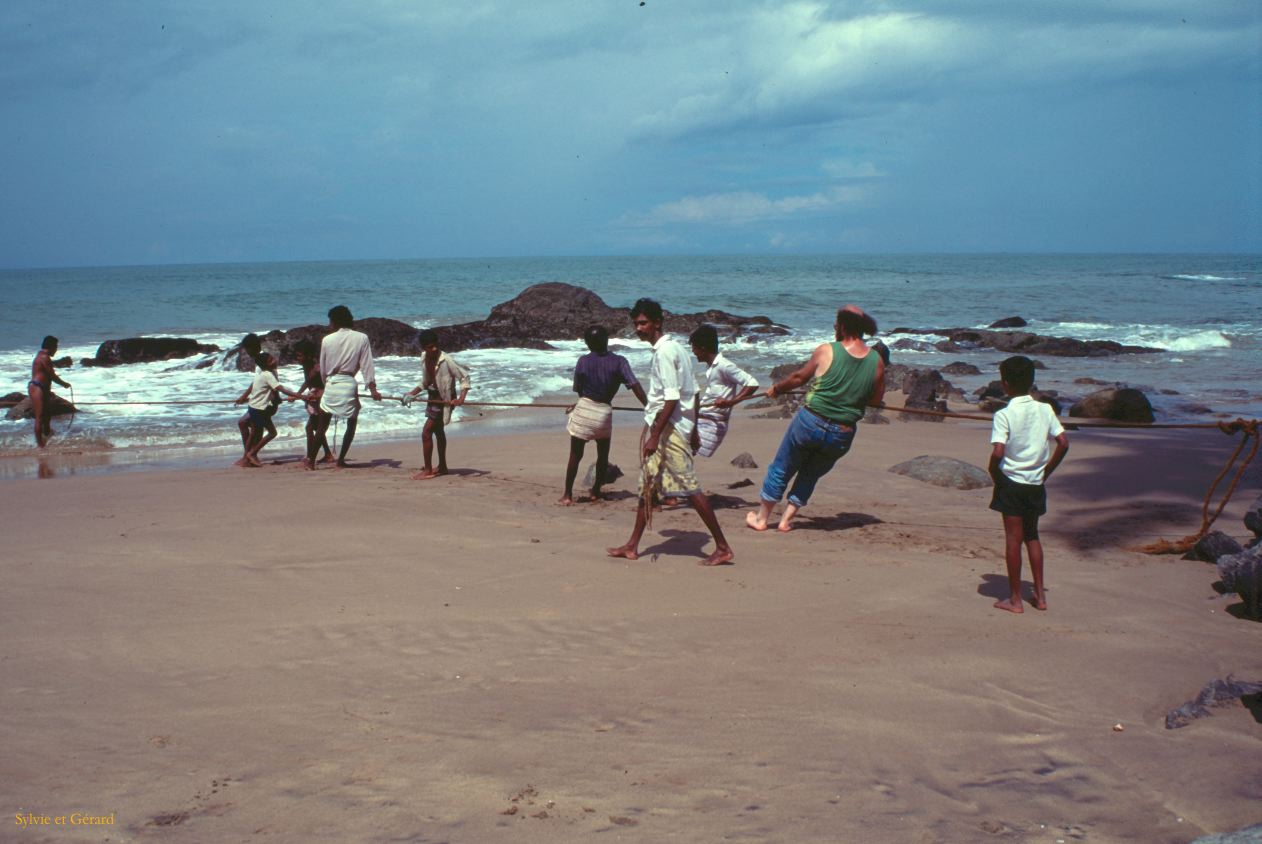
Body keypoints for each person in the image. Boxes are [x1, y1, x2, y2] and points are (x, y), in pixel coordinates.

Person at [607, 298, 734, 566]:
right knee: (648, 484)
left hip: (670, 430)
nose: (638, 328)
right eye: (636, 324)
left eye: (643, 323)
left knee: (690, 488)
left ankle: (722, 547)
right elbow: (695, 392)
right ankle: (632, 545)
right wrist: (695, 428)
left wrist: (655, 436)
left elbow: (673, 398)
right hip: (674, 426)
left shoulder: (665, 352)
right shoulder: (677, 348)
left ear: (657, 322)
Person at [746, 304, 885, 533]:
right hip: (842, 432)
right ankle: (786, 521)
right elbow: (876, 400)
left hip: (811, 421)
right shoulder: (877, 361)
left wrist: (777, 389)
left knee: (782, 467)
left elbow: (799, 377)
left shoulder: (827, 350)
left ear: (842, 326)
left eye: (836, 322)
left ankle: (762, 519)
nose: (834, 326)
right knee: (810, 474)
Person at [987, 355, 1069, 614]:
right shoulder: (1045, 409)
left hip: (1012, 481)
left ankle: (1015, 599)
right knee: (1032, 536)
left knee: (1013, 539)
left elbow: (999, 451)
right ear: (1032, 381)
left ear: (1005, 384)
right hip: (1035, 482)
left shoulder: (1004, 414)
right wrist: (1047, 471)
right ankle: (1040, 596)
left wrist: (993, 471)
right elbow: (1064, 443)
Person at [560, 325, 648, 505]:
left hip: (585, 409)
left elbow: (579, 389)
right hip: (603, 413)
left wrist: (583, 403)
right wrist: (649, 406)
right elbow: (634, 385)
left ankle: (567, 495)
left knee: (575, 455)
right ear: (607, 341)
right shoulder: (619, 361)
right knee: (603, 455)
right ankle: (595, 491)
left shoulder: (583, 361)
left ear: (587, 344)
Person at [315, 305, 381, 468]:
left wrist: (325, 386)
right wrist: (372, 389)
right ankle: (341, 459)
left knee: (321, 426)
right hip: (349, 383)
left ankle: (310, 461)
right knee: (351, 423)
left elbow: (323, 369)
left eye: (330, 321)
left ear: (335, 322)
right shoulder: (361, 338)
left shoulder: (327, 340)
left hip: (332, 383)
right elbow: (367, 365)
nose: (329, 325)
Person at [402, 329, 470, 480]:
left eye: (435, 345)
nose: (434, 349)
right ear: (424, 348)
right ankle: (443, 466)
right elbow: (426, 382)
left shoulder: (446, 360)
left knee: (426, 432)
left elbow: (464, 377)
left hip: (444, 400)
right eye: (430, 347)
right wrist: (411, 394)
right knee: (438, 432)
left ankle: (427, 470)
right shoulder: (424, 357)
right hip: (433, 398)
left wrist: (461, 398)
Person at [688, 324, 759, 458]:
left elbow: (752, 383)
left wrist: (731, 402)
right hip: (705, 418)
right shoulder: (712, 367)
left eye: (694, 348)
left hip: (711, 424)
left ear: (703, 349)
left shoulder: (724, 365)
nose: (693, 352)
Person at [233, 352, 303, 467]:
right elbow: (278, 387)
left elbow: (269, 387)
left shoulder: (268, 372)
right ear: (265, 364)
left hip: (254, 406)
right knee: (271, 432)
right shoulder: (267, 374)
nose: (275, 360)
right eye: (271, 360)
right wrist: (300, 396)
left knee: (254, 431)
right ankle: (251, 454)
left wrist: (277, 398)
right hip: (260, 408)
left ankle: (248, 456)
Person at [294, 339, 333, 468]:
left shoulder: (318, 368)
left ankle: (311, 457)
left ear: (309, 356)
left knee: (313, 428)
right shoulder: (306, 366)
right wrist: (298, 394)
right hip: (314, 400)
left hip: (323, 401)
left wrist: (320, 393)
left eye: (300, 355)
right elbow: (308, 382)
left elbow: (330, 384)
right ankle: (327, 454)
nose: (298, 358)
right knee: (316, 428)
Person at [29, 336, 71, 448]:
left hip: (42, 388)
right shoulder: (44, 358)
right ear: (51, 347)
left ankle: (47, 438)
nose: (56, 350)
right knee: (40, 416)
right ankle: (40, 446)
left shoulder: (42, 356)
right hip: (38, 388)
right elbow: (52, 375)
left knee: (47, 417)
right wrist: (64, 384)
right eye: (56, 347)